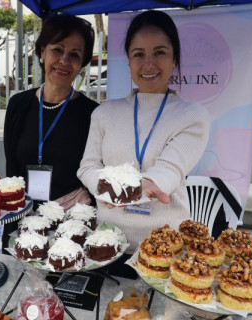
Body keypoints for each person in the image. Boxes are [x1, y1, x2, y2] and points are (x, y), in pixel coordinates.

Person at [77, 10, 211, 253]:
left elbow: (171, 168)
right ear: (128, 61)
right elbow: (87, 167)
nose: (148, 64)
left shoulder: (192, 116)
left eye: (159, 52)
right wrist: (113, 192)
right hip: (109, 242)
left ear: (174, 59)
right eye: (138, 54)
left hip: (165, 247)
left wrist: (149, 183)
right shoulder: (105, 113)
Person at [2, 14, 98, 250]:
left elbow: (94, 172)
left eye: (75, 54)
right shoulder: (18, 105)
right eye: (57, 50)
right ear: (42, 51)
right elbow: (12, 167)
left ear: (83, 64)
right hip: (26, 216)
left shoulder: (92, 113)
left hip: (72, 222)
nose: (64, 60)